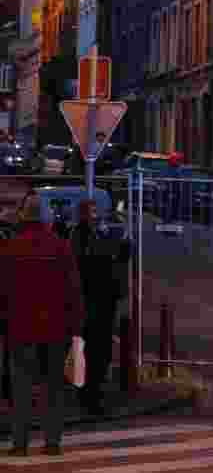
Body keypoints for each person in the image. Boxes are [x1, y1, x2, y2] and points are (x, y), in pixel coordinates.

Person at [0, 193, 84, 457]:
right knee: (54, 386)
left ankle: (20, 443)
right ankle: (52, 441)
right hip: (55, 328)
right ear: (47, 218)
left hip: (20, 327)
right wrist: (76, 326)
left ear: (22, 216)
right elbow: (73, 290)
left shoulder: (10, 247)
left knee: (21, 386)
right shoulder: (60, 247)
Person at [72, 199, 124, 416]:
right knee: (94, 352)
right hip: (94, 302)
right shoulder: (82, 236)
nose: (95, 217)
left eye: (95, 212)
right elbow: (92, 264)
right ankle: (90, 396)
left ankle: (90, 393)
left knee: (96, 351)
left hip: (98, 301)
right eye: (91, 212)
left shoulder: (93, 235)